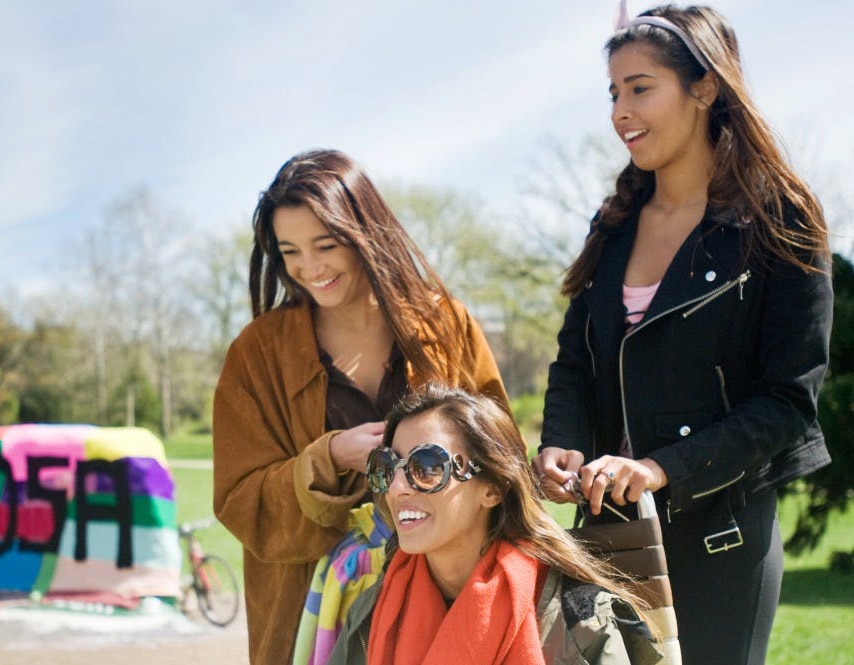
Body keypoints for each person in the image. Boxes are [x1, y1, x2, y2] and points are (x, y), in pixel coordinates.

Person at [533, 4, 834, 664]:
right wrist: (563, 440)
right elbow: (575, 363)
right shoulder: (612, 226)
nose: (620, 110)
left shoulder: (780, 221)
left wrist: (659, 467)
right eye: (614, 92)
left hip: (720, 540)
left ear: (705, 89)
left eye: (641, 87)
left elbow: (787, 403)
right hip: (609, 535)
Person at [212, 148, 510, 664]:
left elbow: (499, 453)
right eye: (291, 252)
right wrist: (327, 459)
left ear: (365, 235)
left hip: (446, 596)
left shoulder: (446, 326)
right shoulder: (258, 352)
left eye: (324, 245)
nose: (310, 267)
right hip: (311, 612)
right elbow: (240, 499)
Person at [328, 384, 661, 665]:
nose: (397, 488)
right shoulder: (375, 610)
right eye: (387, 467)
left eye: (427, 465)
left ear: (492, 489)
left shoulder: (580, 622)